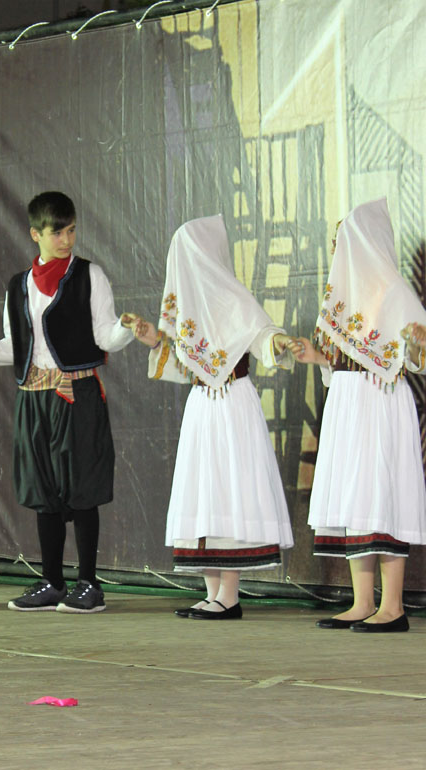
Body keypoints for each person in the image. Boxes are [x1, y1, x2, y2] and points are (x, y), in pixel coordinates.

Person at [0, 191, 141, 613]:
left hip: (77, 395)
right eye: (57, 232)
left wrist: (127, 328)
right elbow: (14, 347)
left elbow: (105, 336)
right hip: (33, 399)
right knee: (43, 491)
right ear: (35, 234)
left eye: (71, 230)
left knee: (82, 489)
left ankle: (89, 585)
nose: (66, 240)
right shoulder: (18, 286)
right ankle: (52, 582)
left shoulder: (90, 275)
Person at [128, 214, 295, 620]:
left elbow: (261, 334)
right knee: (204, 489)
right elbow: (185, 364)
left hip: (233, 403)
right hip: (203, 405)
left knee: (229, 488)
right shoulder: (190, 309)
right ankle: (212, 591)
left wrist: (278, 341)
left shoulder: (233, 299)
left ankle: (230, 595)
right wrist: (154, 340)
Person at [291, 198, 426, 633]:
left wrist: (417, 344)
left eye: (343, 242)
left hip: (381, 403)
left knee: (382, 495)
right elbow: (339, 359)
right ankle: (363, 601)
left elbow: (417, 355)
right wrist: (315, 356)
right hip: (349, 403)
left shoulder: (396, 293)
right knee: (356, 497)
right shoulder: (343, 299)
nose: (337, 251)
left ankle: (393, 606)